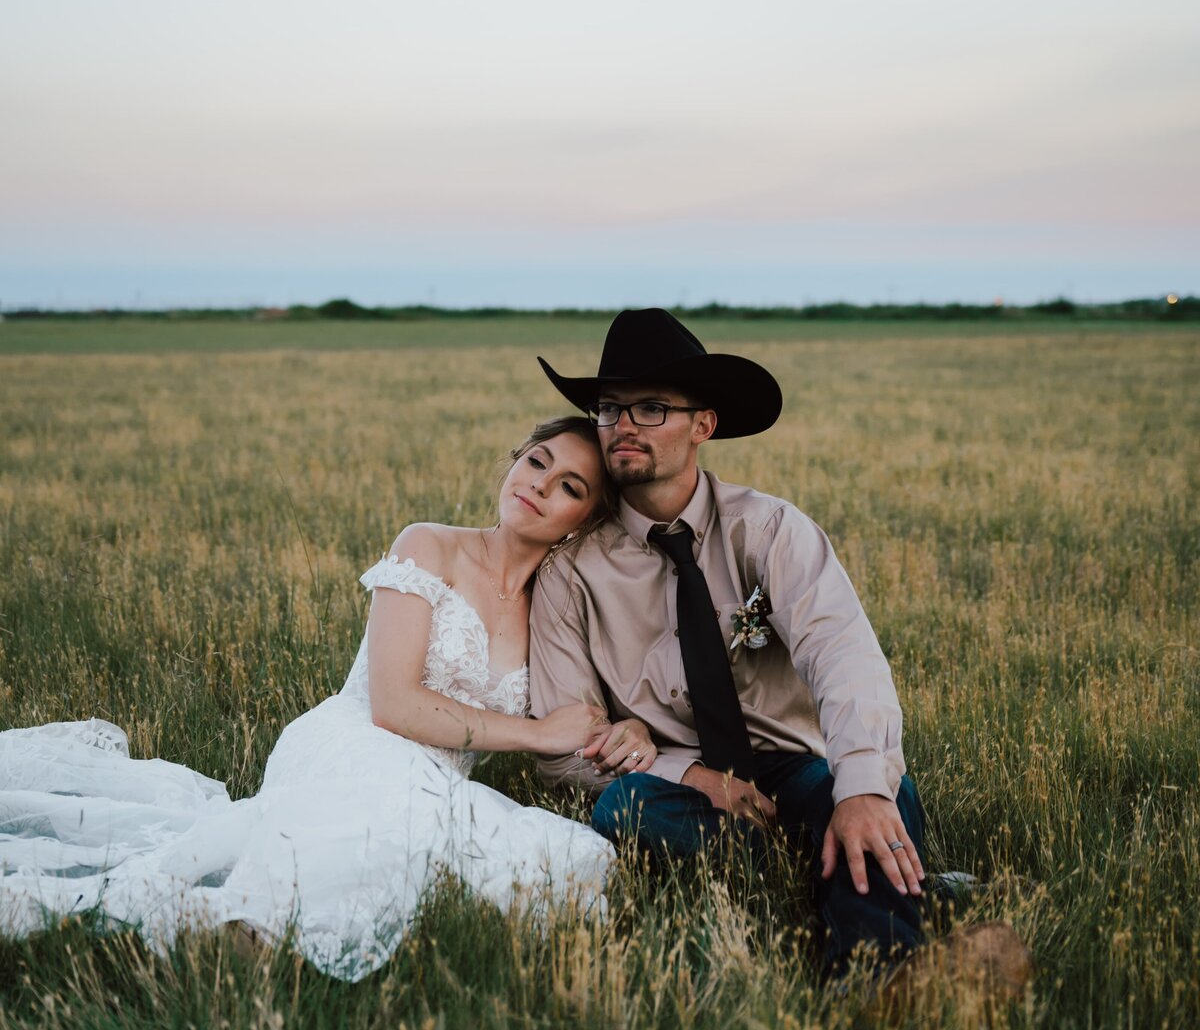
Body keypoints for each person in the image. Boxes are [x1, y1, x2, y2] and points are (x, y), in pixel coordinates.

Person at [0, 418, 627, 981]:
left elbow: (591, 715)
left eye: (571, 486)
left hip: (436, 778)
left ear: (590, 517)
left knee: (524, 864)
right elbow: (395, 707)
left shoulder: (554, 606)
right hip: (353, 740)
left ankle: (237, 929)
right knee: (406, 825)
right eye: (537, 461)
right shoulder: (429, 545)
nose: (540, 485)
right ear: (515, 460)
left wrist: (636, 737)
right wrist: (537, 733)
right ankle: (245, 929)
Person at [531, 308, 1028, 987]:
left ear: (703, 425)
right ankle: (862, 882)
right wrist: (691, 775)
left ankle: (872, 975)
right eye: (609, 407)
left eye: (650, 408)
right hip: (685, 785)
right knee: (624, 809)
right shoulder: (571, 572)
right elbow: (563, 747)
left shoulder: (769, 530)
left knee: (874, 787)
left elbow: (843, 654)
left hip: (794, 769)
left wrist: (860, 791)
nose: (622, 425)